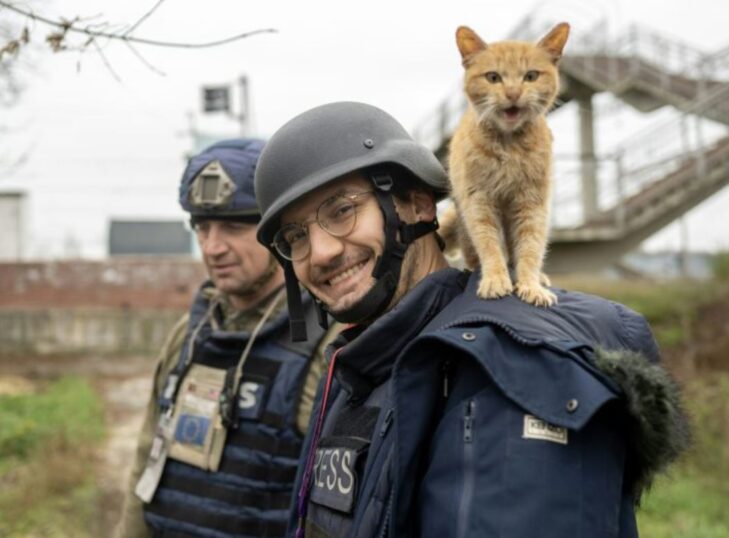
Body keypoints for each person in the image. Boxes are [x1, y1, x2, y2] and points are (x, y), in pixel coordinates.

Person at [252, 102, 690, 537]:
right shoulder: (362, 365)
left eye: (341, 211)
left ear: (419, 204)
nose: (322, 252)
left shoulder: (508, 371)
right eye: (296, 236)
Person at [116, 139, 337, 538]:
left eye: (234, 227)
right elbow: (146, 464)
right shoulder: (189, 334)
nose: (212, 247)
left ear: (280, 233)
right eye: (202, 227)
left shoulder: (328, 344)